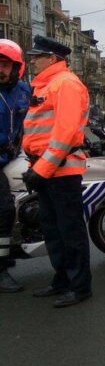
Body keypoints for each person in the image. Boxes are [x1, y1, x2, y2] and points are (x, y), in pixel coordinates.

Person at [21, 36, 91, 308]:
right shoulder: (49, 84)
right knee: (53, 230)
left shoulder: (65, 84)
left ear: (52, 59)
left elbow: (65, 133)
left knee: (69, 231)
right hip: (47, 168)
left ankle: (79, 286)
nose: (32, 61)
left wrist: (41, 168)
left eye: (36, 57)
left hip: (60, 171)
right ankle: (62, 279)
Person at [0, 40, 31, 293]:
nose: (0, 69)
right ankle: (1, 268)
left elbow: (35, 119)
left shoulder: (23, 91)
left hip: (12, 154)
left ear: (16, 67)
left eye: (5, 64)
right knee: (4, 209)